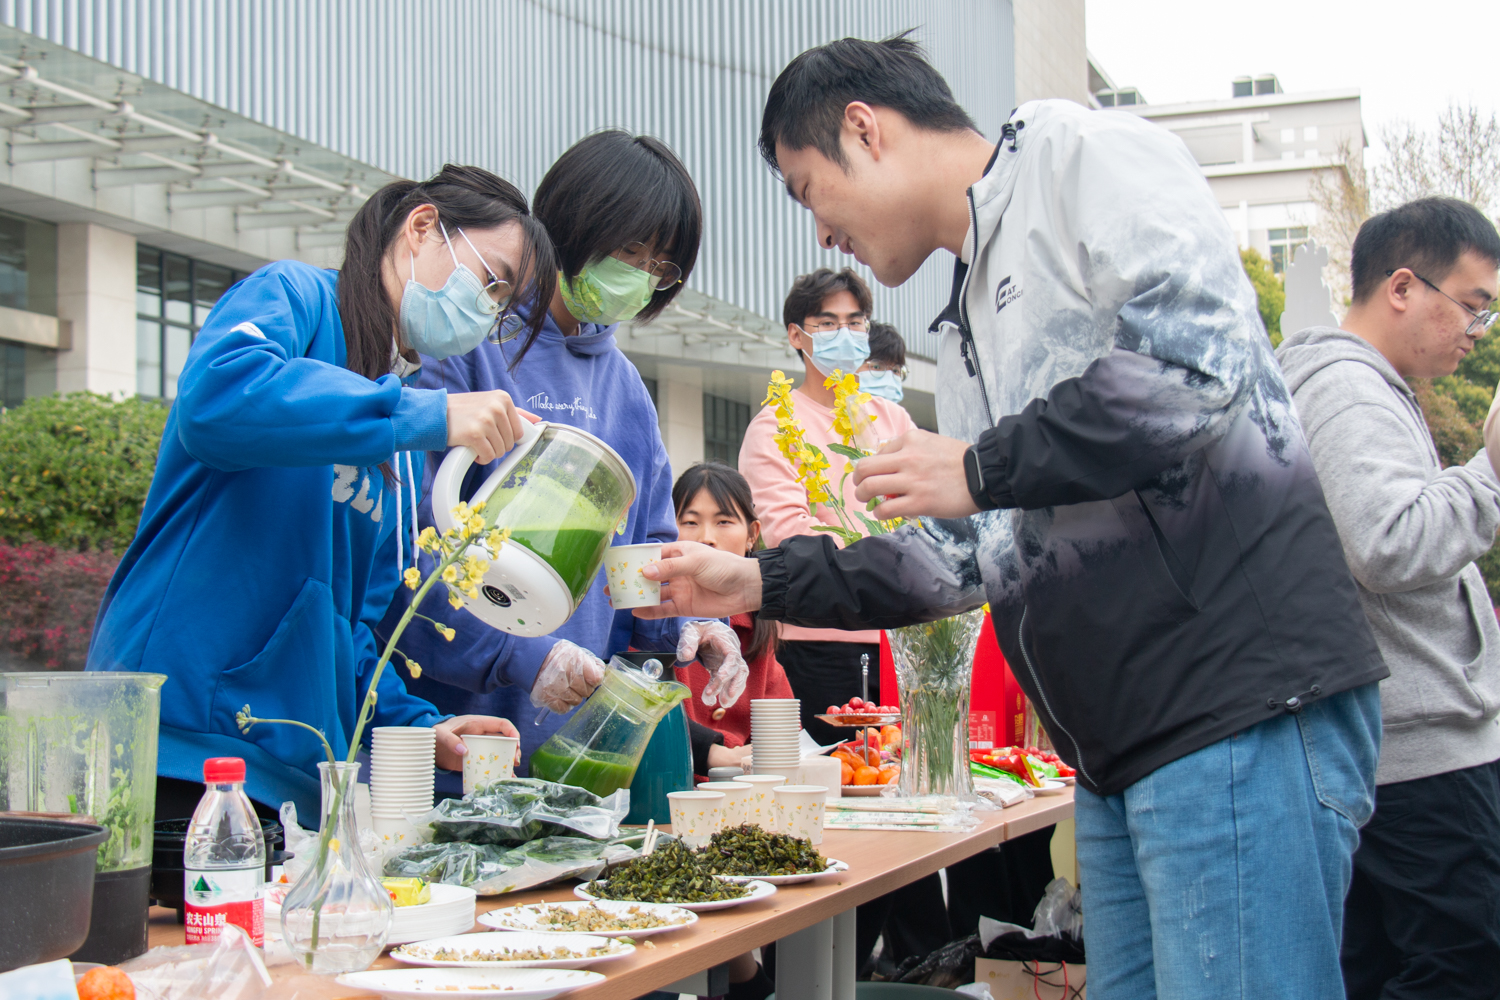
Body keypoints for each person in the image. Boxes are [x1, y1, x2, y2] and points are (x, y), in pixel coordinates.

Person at [638, 35, 1388, 999]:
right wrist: (762, 579)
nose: (820, 233)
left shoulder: (1086, 159)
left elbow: (1194, 367)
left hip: (1235, 709)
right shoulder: (963, 326)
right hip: (1121, 752)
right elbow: (966, 552)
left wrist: (984, 466)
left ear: (864, 130)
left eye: (805, 187)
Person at [87, 165, 547, 821]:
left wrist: (417, 724)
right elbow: (218, 400)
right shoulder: (294, 298)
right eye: (491, 279)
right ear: (422, 227)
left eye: (504, 304)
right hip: (176, 742)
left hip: (291, 778)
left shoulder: (397, 445)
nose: (489, 310)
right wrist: (428, 416)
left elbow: (354, 629)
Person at [383, 132, 748, 784]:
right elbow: (405, 547)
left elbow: (641, 559)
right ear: (572, 224)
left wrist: (694, 622)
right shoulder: (468, 340)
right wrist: (518, 656)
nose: (638, 278)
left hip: (566, 748)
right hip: (451, 730)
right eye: (629, 251)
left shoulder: (628, 393)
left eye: (660, 267)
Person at [1276, 197, 1500, 999]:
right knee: (1462, 965)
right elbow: (1389, 541)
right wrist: (1491, 471)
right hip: (1418, 747)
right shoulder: (1347, 390)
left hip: (1396, 737)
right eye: (1473, 305)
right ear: (1402, 287)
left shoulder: (1357, 385)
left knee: (1377, 967)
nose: (1477, 330)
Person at [737, 268, 917, 745]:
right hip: (818, 641)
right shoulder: (775, 425)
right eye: (828, 323)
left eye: (856, 323)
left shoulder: (890, 418)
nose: (846, 335)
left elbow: (921, 515)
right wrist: (886, 554)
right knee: (839, 783)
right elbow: (789, 537)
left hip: (897, 638)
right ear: (796, 335)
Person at [671, 462, 793, 759]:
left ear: (752, 534)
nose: (706, 538)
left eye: (723, 522)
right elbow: (644, 707)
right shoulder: (655, 618)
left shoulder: (758, 624)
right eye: (689, 522)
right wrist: (716, 754)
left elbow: (783, 723)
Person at [858, 320, 907, 403]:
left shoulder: (900, 415)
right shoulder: (833, 414)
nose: (888, 379)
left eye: (896, 371)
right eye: (877, 367)